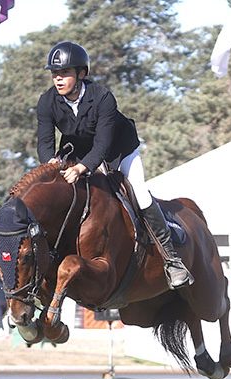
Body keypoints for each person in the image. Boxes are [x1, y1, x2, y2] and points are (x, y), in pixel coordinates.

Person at [36, 41, 192, 290]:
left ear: (81, 73)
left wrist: (80, 169)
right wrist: (51, 163)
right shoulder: (47, 101)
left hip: (119, 150)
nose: (58, 79)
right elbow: (45, 142)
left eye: (64, 73)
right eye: (55, 73)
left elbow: (103, 145)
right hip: (79, 152)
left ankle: (172, 260)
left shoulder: (102, 98)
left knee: (140, 195)